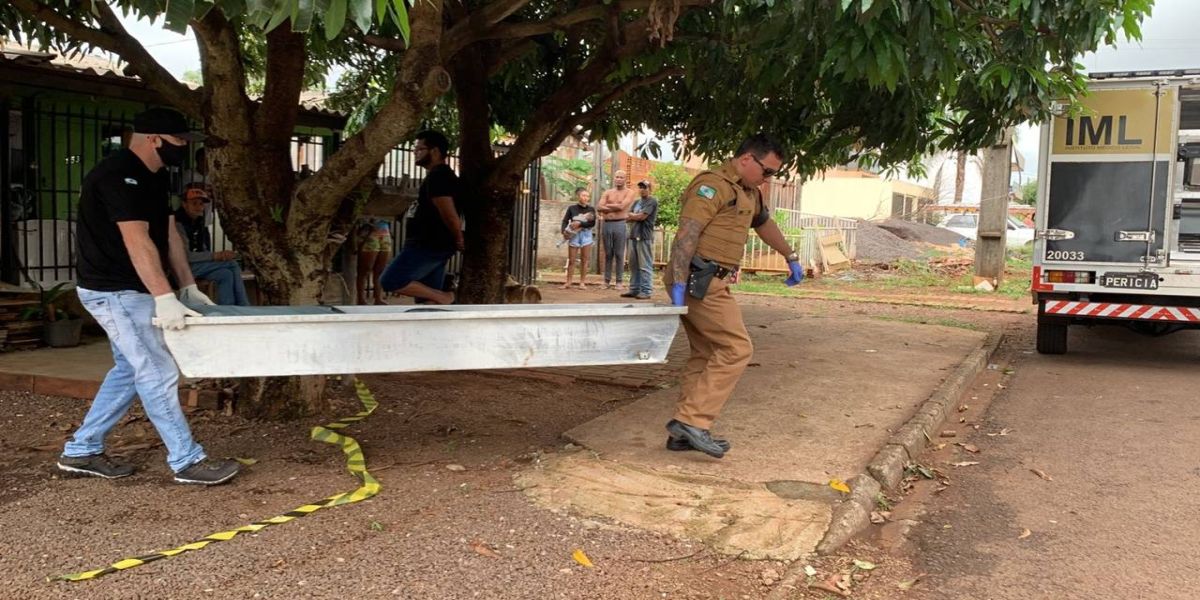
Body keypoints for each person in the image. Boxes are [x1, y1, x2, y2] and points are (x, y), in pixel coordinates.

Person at [59, 107, 240, 485]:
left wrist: (186, 286)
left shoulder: (156, 178)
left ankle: (82, 450)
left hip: (132, 289)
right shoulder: (115, 176)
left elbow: (168, 235)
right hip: (113, 290)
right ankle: (186, 461)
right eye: (178, 142)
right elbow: (136, 239)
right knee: (157, 370)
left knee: (130, 369)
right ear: (154, 139)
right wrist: (162, 296)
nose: (183, 149)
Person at [662, 134, 805, 458]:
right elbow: (688, 233)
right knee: (737, 348)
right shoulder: (713, 186)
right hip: (700, 279)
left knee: (705, 351)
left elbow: (764, 224)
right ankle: (693, 422)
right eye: (766, 171)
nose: (768, 179)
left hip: (710, 280)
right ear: (745, 160)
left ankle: (682, 432)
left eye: (772, 174)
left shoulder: (748, 191)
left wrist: (791, 256)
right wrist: (680, 283)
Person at [380, 130, 463, 304]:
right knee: (427, 301)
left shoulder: (439, 176)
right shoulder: (436, 176)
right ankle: (436, 312)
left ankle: (446, 297)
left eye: (419, 149)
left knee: (391, 280)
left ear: (435, 151)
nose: (415, 153)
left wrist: (458, 237)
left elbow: (449, 213)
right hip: (429, 244)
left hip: (428, 245)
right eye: (414, 149)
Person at [175, 180, 250, 306]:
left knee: (225, 274)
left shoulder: (198, 223)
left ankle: (227, 309)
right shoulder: (178, 224)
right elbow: (185, 256)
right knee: (231, 264)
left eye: (201, 204)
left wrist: (217, 256)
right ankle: (244, 306)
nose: (199, 207)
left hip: (196, 265)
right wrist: (214, 256)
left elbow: (202, 249)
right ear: (184, 204)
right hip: (181, 268)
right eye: (194, 203)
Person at [597, 169, 637, 290]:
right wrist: (613, 207)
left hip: (620, 223)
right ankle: (606, 281)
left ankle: (619, 281)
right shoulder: (608, 192)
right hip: (606, 224)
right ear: (614, 178)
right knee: (608, 253)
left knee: (619, 254)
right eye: (617, 177)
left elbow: (622, 206)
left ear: (625, 179)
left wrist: (607, 206)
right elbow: (599, 206)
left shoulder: (629, 192)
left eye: (621, 177)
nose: (618, 179)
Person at [622, 180, 659, 300]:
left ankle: (646, 290)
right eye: (640, 187)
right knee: (633, 265)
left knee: (645, 265)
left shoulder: (652, 201)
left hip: (644, 237)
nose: (642, 189)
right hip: (633, 236)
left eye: (645, 187)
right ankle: (634, 290)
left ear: (650, 189)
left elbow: (642, 217)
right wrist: (633, 216)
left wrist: (634, 216)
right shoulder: (637, 202)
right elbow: (628, 217)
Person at [560, 187, 597, 289]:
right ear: (578, 196)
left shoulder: (591, 209)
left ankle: (582, 283)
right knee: (571, 260)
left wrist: (580, 223)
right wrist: (563, 231)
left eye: (587, 196)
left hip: (586, 235)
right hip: (574, 235)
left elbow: (592, 223)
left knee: (584, 260)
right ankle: (568, 282)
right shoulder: (572, 208)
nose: (586, 198)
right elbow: (565, 220)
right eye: (583, 195)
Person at [356, 217, 393, 305]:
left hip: (384, 230)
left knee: (380, 269)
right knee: (365, 269)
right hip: (369, 231)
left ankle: (378, 298)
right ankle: (361, 299)